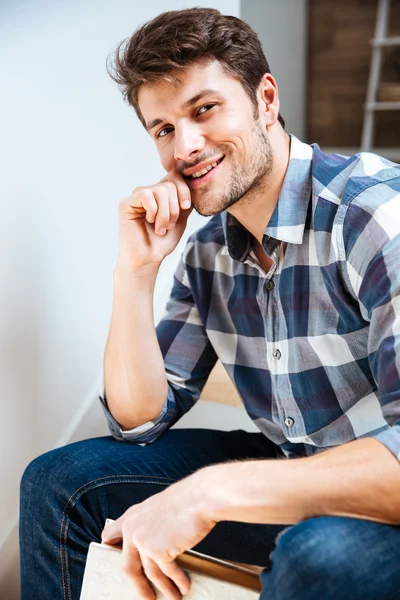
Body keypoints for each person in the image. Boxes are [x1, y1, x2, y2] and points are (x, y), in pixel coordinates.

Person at [19, 7, 400, 600]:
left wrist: (207, 493)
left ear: (265, 99)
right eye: (163, 129)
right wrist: (136, 271)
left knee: (317, 556)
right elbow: (140, 421)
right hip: (295, 470)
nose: (186, 147)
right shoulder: (208, 256)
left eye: (204, 110)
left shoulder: (372, 216)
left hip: (382, 496)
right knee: (60, 482)